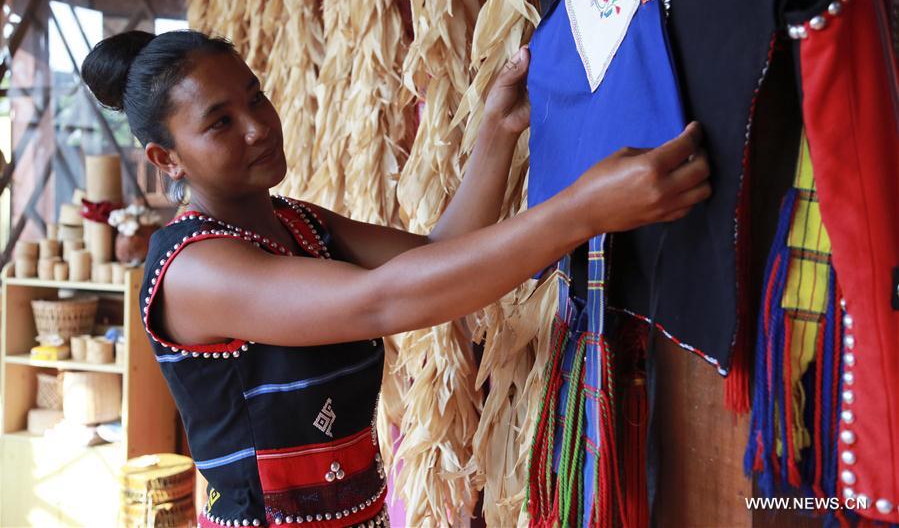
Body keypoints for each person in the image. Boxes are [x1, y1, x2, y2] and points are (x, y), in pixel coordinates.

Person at [82, 30, 710, 528]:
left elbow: (438, 256)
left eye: (255, 97)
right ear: (166, 158)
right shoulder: (194, 269)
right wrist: (582, 211)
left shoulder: (298, 225)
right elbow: (383, 301)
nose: (257, 126)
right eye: (219, 122)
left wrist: (495, 133)